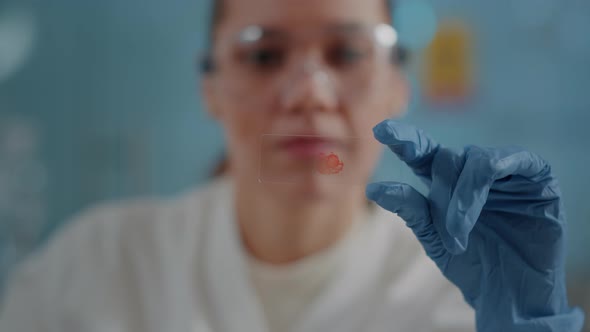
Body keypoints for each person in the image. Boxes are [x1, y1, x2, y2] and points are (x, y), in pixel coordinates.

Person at [0, 0, 585, 331]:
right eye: (264, 54)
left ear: (397, 86)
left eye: (348, 52)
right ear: (210, 87)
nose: (309, 93)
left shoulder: (458, 298)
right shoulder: (91, 267)